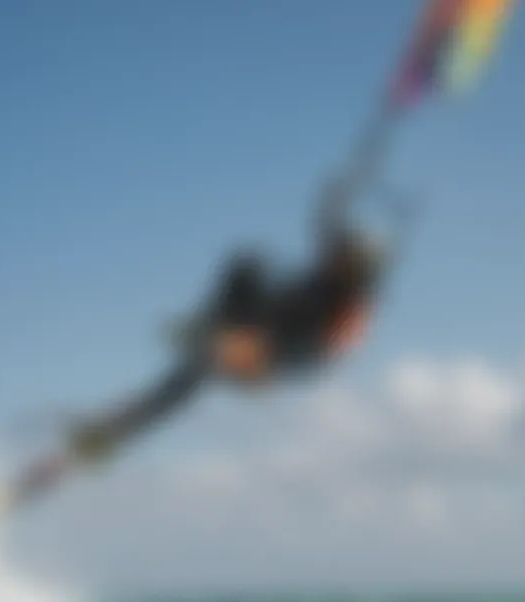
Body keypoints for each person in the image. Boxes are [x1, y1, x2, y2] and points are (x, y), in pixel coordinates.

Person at [54, 174, 402, 469]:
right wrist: (340, 190)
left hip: (275, 353)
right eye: (336, 253)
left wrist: (247, 356)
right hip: (261, 321)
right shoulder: (333, 272)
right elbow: (327, 221)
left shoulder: (345, 317)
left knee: (201, 365)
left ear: (355, 272)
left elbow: (310, 355)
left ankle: (114, 435)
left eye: (340, 257)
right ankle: (211, 330)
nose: (330, 257)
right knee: (248, 265)